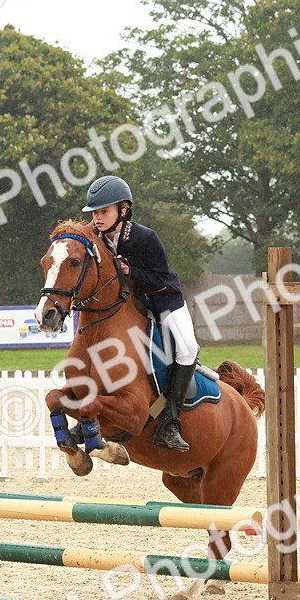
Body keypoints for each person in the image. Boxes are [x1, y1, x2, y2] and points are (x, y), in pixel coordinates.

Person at [83, 175, 199, 452]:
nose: (97, 218)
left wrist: (130, 271)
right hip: (130, 306)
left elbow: (160, 277)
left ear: (123, 210)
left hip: (163, 299)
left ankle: (170, 422)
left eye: (104, 212)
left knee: (188, 349)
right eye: (95, 213)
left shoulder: (145, 238)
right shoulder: (94, 236)